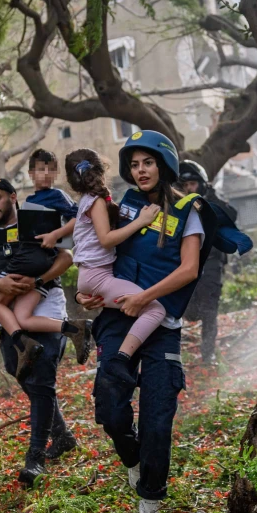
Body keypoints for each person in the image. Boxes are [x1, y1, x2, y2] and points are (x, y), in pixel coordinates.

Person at [77, 131, 218, 513]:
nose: (141, 171)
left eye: (148, 162)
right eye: (134, 164)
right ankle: (132, 459)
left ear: (164, 165)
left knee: (157, 416)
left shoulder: (189, 211)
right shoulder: (124, 206)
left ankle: (150, 502)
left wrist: (145, 297)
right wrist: (84, 296)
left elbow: (189, 269)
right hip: (117, 318)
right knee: (110, 406)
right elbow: (96, 253)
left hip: (162, 323)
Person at [0, 178, 80, 486]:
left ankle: (36, 459)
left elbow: (67, 257)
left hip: (44, 307)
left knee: (41, 380)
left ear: (13, 198)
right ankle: (63, 436)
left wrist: (38, 281)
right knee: (20, 373)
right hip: (9, 320)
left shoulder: (37, 221)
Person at [0, 151, 91, 376]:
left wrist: (56, 234)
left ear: (55, 173)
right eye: (40, 169)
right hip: (38, 264)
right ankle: (74, 328)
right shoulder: (29, 202)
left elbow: (80, 216)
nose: (45, 174)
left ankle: (22, 345)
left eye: (49, 169)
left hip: (35, 257)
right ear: (31, 173)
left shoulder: (57, 195)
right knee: (23, 318)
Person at [64, 148, 166, 366]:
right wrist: (142, 220)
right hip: (97, 277)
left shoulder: (90, 201)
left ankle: (122, 355)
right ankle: (123, 357)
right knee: (155, 309)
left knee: (137, 309)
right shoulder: (95, 201)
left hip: (92, 277)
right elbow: (106, 239)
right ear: (102, 170)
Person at [179, 160, 239, 363]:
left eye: (192, 184)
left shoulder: (212, 200)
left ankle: (207, 354)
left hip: (212, 262)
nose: (189, 189)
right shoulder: (180, 204)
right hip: (186, 262)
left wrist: (210, 198)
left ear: (201, 184)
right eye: (185, 185)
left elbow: (231, 215)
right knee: (187, 308)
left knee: (209, 309)